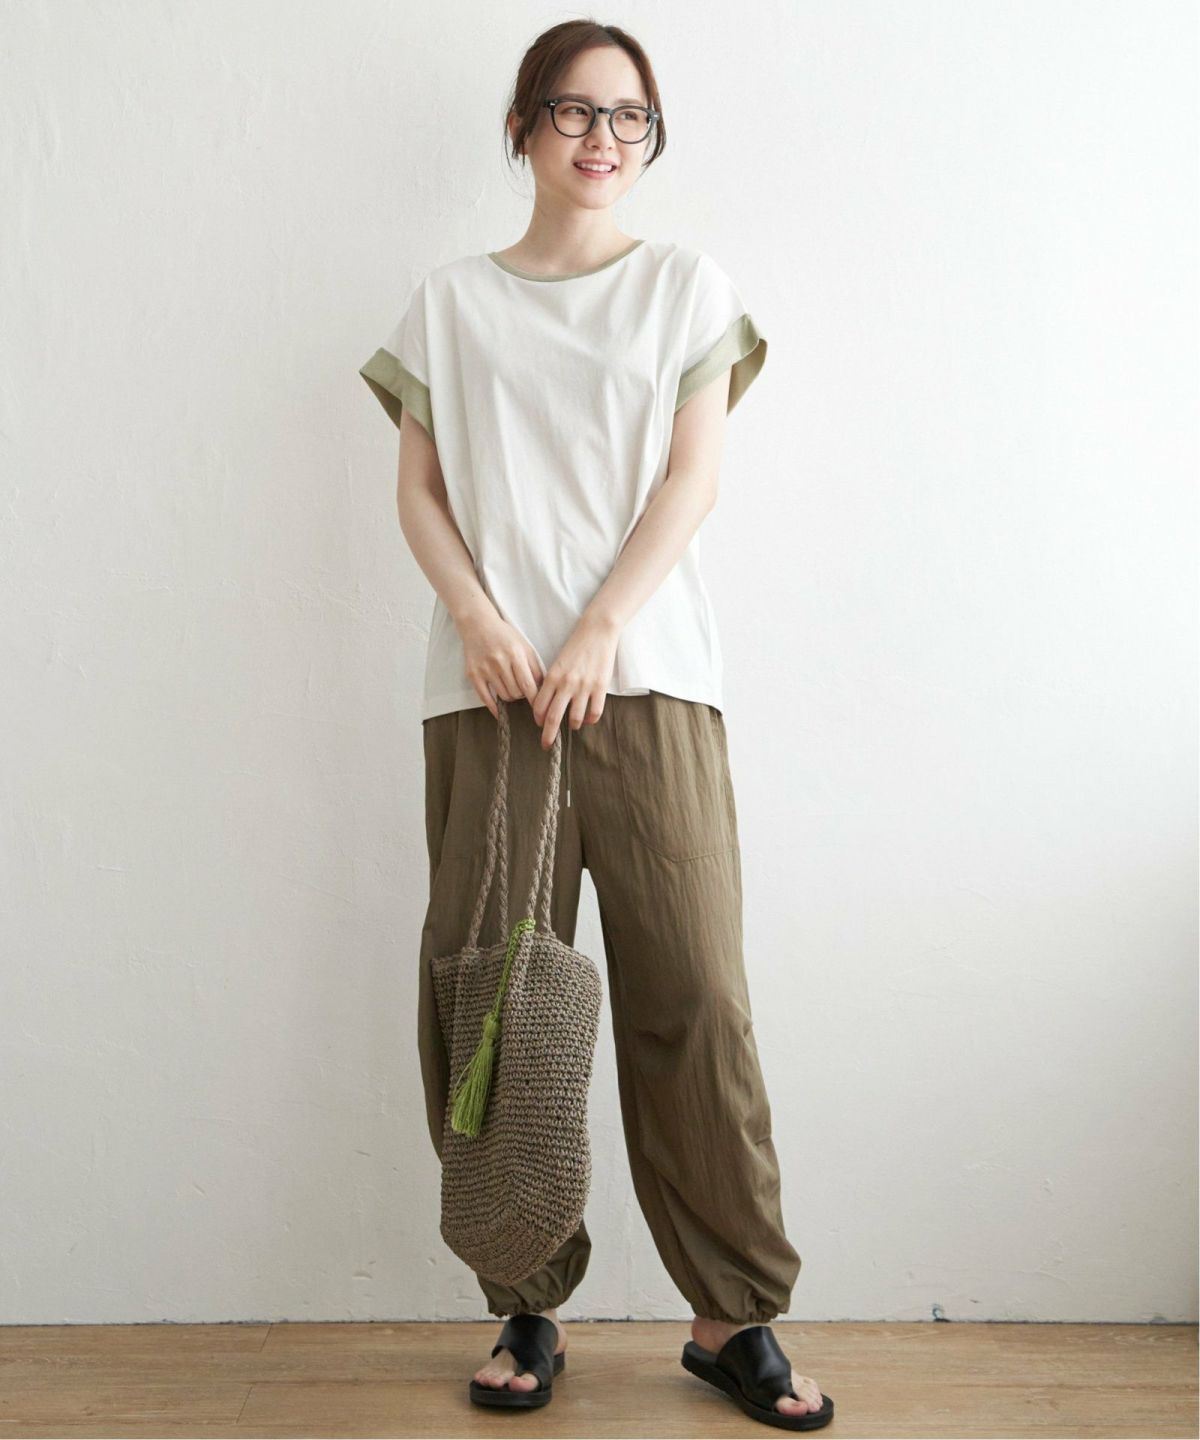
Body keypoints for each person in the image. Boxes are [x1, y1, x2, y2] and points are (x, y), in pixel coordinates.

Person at [358, 18, 834, 1432]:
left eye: (630, 116)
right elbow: (419, 495)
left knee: (697, 992)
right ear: (523, 127)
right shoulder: (449, 303)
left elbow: (692, 482)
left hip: (651, 678)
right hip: (493, 693)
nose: (602, 138)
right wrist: (483, 621)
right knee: (493, 995)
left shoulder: (685, 287)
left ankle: (731, 1314)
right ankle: (524, 1298)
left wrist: (600, 626)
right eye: (572, 110)